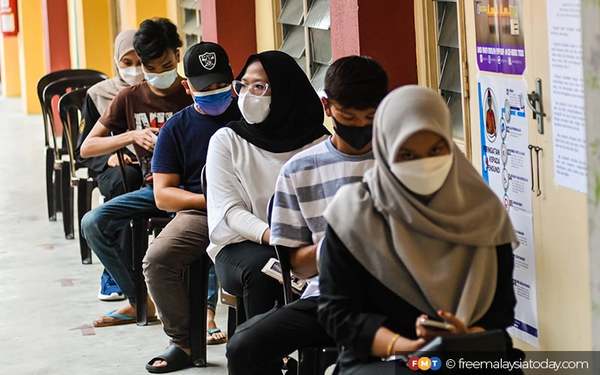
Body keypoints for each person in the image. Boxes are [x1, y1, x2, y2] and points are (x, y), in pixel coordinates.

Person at [317, 86, 519, 375]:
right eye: (408, 154)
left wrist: (463, 336)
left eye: (436, 150)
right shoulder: (353, 214)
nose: (424, 164)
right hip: (383, 360)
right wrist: (408, 348)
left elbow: (501, 310)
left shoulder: (483, 211)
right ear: (385, 151)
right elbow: (338, 315)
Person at [225, 56, 388, 375]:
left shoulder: (401, 160)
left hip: (402, 296)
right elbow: (295, 264)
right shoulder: (300, 171)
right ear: (327, 107)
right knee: (244, 345)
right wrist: (340, 242)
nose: (359, 126)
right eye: (348, 115)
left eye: (369, 116)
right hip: (330, 297)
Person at [80, 18, 191, 327]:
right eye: (150, 68)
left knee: (205, 225)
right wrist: (129, 136)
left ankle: (204, 313)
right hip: (152, 190)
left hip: (192, 190)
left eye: (165, 65)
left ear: (178, 56)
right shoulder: (129, 97)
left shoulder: (192, 91)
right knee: (93, 222)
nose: (158, 74)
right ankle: (138, 299)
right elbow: (87, 148)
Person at [205, 50, 329, 325]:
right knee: (263, 272)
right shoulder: (227, 141)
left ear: (285, 90)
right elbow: (230, 211)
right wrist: (276, 236)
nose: (248, 95)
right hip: (244, 244)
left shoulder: (319, 142)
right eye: (243, 85)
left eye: (259, 86)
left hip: (308, 243)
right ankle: (262, 355)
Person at [143, 41, 240, 374]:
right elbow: (164, 195)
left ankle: (267, 340)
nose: (214, 93)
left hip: (254, 209)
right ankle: (182, 342)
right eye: (205, 88)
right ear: (187, 87)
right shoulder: (176, 128)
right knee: (157, 260)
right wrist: (212, 201)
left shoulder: (250, 116)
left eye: (220, 85)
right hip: (201, 211)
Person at [76, 29, 144, 302]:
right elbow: (86, 149)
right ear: (116, 61)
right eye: (126, 63)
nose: (134, 69)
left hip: (154, 166)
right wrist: (110, 156)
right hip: (113, 168)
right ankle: (115, 274)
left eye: (140, 61)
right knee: (124, 183)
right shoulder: (98, 95)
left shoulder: (157, 91)